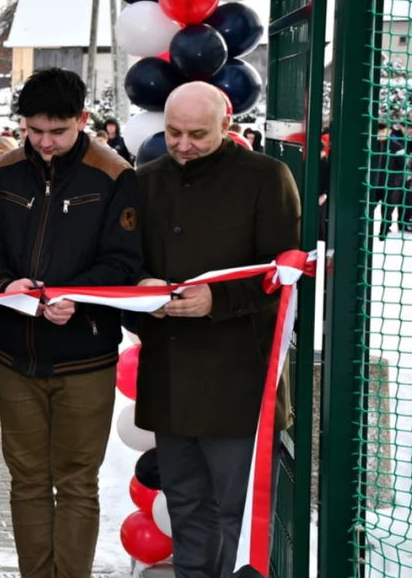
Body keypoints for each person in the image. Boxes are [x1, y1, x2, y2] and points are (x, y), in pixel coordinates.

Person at [0, 68, 141, 578]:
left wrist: (79, 300)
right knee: (26, 480)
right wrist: (5, 284)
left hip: (85, 357)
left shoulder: (115, 176)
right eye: (34, 130)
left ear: (82, 120)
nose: (45, 143)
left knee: (75, 482)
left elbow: (123, 263)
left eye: (58, 131)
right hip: (14, 354)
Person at [134, 81, 299, 578]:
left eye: (197, 134)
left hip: (239, 379)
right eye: (173, 133)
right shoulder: (146, 181)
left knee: (238, 513)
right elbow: (124, 264)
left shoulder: (267, 178)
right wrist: (144, 294)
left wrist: (217, 299)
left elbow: (283, 276)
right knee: (185, 505)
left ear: (226, 126)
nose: (183, 145)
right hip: (171, 374)